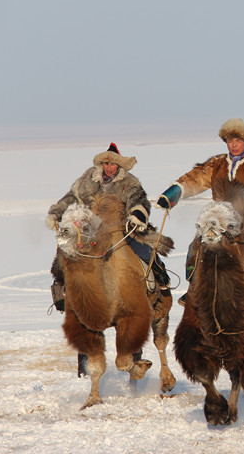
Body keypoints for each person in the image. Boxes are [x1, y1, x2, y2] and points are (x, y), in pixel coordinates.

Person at [46, 143, 168, 376]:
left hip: (120, 230)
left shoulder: (129, 182)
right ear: (100, 164)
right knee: (65, 254)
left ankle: (159, 287)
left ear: (119, 165)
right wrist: (56, 212)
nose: (109, 166)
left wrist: (137, 215)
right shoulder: (87, 179)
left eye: (112, 163)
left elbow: (139, 201)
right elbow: (71, 197)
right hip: (90, 232)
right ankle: (64, 293)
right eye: (105, 162)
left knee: (146, 253)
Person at [156, 118, 244, 308]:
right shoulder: (216, 163)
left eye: (237, 140)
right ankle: (194, 285)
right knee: (196, 244)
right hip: (221, 215)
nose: (233, 144)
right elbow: (193, 180)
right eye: (230, 140)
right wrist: (171, 195)